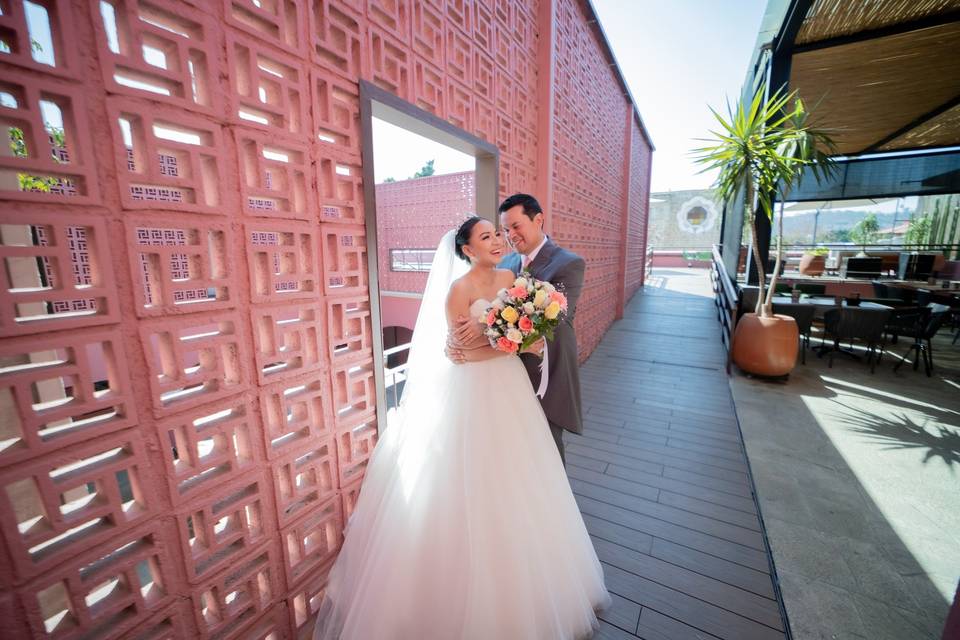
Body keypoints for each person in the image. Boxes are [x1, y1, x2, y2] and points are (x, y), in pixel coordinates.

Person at [313, 217, 609, 639]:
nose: (497, 240)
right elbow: (459, 353)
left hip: (511, 391)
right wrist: (511, 343)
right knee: (468, 478)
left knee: (521, 478)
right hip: (472, 391)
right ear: (468, 250)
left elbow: (512, 331)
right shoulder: (459, 291)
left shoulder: (512, 276)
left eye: (498, 234)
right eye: (486, 236)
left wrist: (519, 337)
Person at [448, 194, 586, 465]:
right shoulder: (507, 265)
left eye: (516, 226)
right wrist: (455, 343)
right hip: (505, 375)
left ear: (538, 220)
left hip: (545, 372)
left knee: (548, 454)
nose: (509, 235)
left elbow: (553, 317)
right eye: (506, 229)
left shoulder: (568, 264)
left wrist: (482, 322)